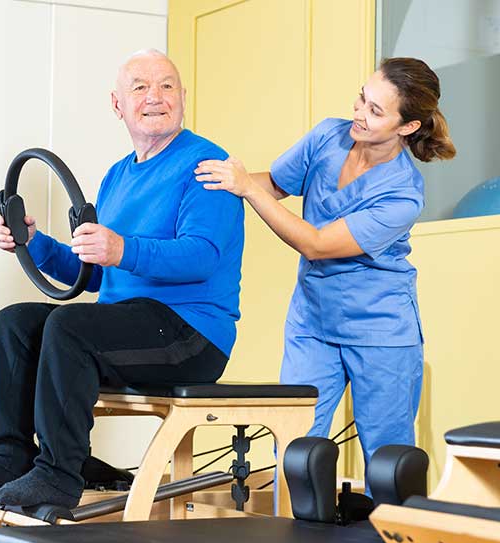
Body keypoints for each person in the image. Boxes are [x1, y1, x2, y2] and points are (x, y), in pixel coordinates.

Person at [0, 49, 244, 510]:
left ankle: (58, 475)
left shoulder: (206, 164)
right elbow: (93, 274)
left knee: (69, 328)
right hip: (129, 320)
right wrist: (33, 242)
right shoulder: (118, 175)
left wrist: (122, 248)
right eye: (140, 87)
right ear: (118, 105)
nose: (156, 97)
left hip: (192, 333)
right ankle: (11, 455)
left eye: (167, 86)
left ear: (184, 98)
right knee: (15, 321)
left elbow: (202, 257)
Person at [194, 57, 456, 477]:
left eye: (375, 111)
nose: (358, 113)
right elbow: (274, 185)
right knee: (295, 446)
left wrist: (245, 188)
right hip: (313, 321)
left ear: (407, 127)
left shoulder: (403, 194)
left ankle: (389, 541)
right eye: (361, 98)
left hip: (380, 330)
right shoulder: (327, 137)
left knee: (388, 462)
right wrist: (205, 184)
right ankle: (293, 539)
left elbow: (314, 244)